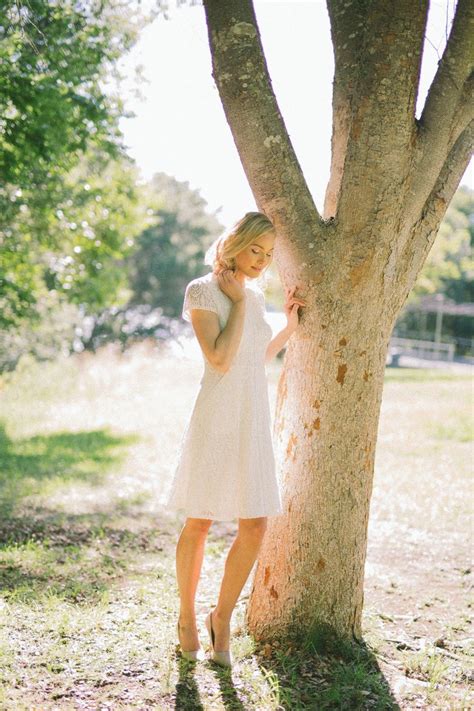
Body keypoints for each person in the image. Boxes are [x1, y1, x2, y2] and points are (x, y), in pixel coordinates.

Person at [164, 211, 306, 667]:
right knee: (200, 520)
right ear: (234, 244)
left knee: (255, 524)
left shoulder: (255, 293)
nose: (261, 261)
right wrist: (240, 303)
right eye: (255, 251)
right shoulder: (203, 290)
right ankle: (186, 618)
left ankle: (220, 617)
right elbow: (221, 360)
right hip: (217, 416)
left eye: (268, 254)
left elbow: (253, 357)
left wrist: (288, 327)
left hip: (253, 415)